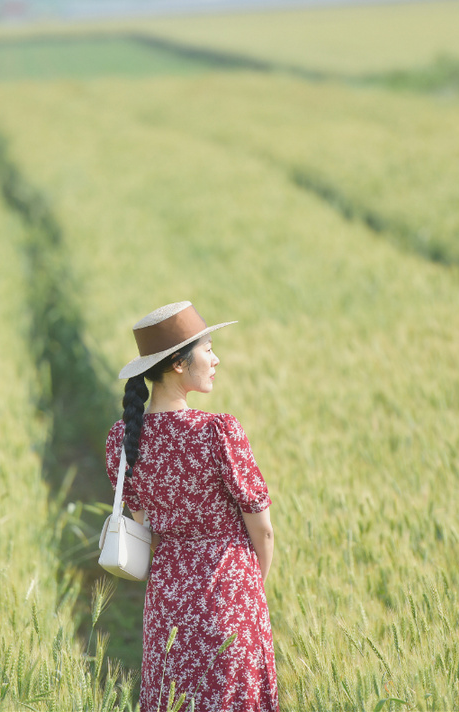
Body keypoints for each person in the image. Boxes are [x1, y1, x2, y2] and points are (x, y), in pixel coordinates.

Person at [104, 301, 278, 712]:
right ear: (179, 365)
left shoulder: (124, 441)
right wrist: (253, 585)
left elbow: (143, 525)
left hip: (168, 603)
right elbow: (263, 529)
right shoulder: (218, 433)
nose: (216, 360)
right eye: (208, 349)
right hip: (228, 594)